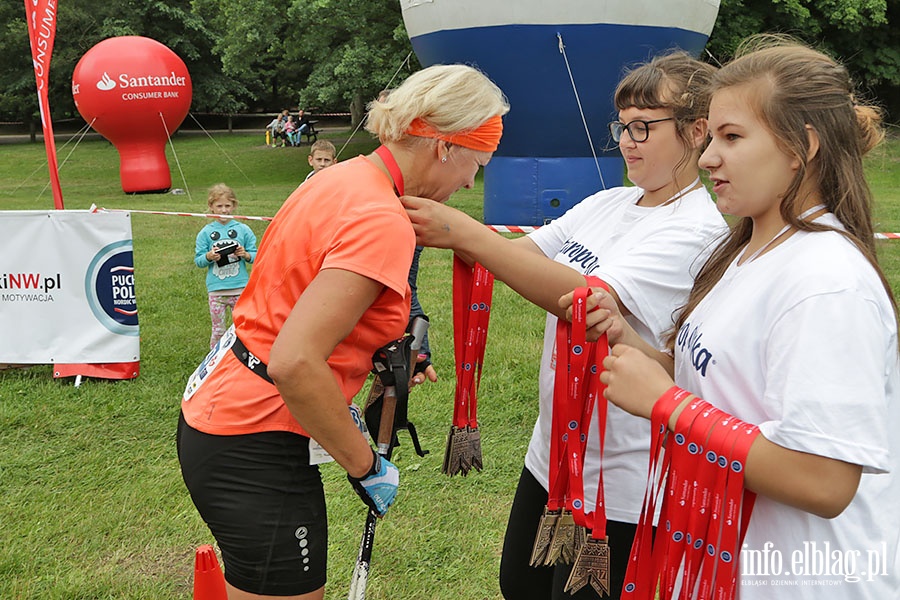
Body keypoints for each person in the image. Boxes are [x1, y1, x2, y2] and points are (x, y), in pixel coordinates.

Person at [575, 36, 899, 598]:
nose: (706, 157)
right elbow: (725, 389)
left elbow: (823, 480)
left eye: (732, 137)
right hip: (723, 565)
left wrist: (664, 403)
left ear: (803, 146)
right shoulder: (751, 247)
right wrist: (633, 344)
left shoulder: (825, 284)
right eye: (711, 136)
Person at [403, 51, 728, 598]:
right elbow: (518, 259)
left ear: (697, 132)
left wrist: (465, 232)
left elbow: (582, 301)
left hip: (620, 479)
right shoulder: (611, 203)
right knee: (519, 586)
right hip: (554, 453)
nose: (627, 141)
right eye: (621, 126)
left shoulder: (694, 231)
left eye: (644, 127)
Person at [178, 63, 508, 600]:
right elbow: (294, 360)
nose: (472, 182)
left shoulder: (343, 176)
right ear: (445, 147)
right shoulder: (382, 219)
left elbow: (299, 294)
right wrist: (364, 463)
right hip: (257, 434)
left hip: (226, 411)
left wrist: (376, 344)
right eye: (478, 163)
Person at [194, 184, 257, 350]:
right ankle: (215, 358)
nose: (223, 210)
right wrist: (208, 257)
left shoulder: (243, 230)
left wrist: (245, 254)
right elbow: (199, 260)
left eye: (227, 206)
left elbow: (256, 256)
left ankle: (243, 355)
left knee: (242, 328)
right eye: (219, 206)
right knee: (218, 330)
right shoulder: (206, 233)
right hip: (216, 292)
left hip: (240, 289)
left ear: (234, 206)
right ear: (211, 207)